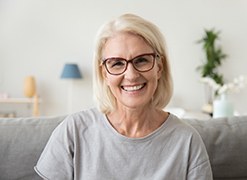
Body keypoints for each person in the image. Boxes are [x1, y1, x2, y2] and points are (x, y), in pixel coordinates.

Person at [34, 13, 213, 179]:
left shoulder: (187, 141)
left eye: (141, 60)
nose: (131, 75)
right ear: (104, 73)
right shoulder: (73, 131)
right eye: (117, 63)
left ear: (159, 67)